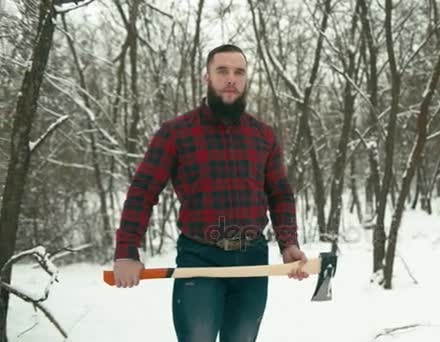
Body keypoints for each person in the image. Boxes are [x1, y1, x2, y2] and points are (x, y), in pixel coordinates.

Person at [112, 43, 308, 342]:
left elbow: (279, 193)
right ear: (207, 77)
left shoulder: (263, 135)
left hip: (252, 259)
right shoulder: (176, 133)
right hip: (200, 258)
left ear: (246, 78)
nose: (231, 79)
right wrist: (127, 251)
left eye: (239, 72)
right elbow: (143, 191)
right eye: (222, 71)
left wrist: (288, 243)